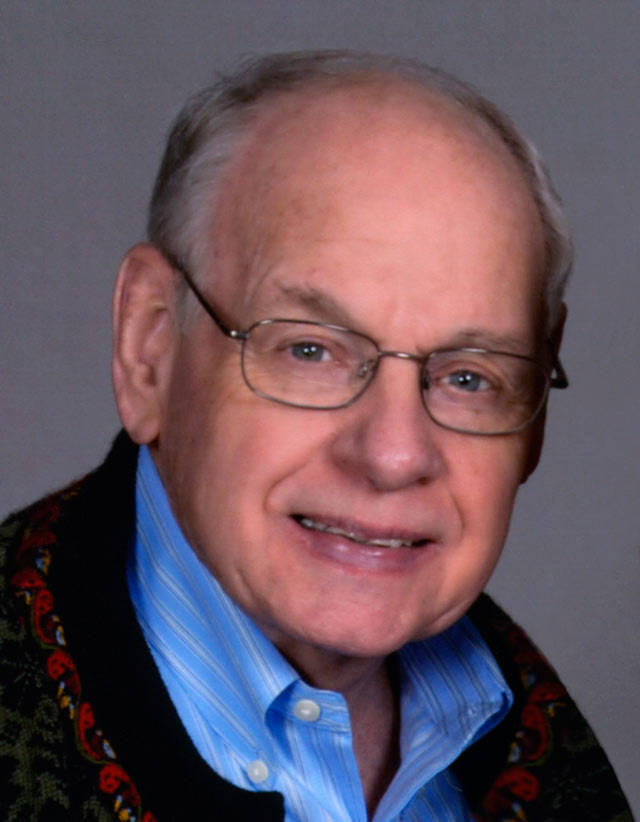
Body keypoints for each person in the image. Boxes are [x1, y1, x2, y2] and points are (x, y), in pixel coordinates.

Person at [0, 51, 631, 821]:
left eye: (469, 376)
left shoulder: (544, 758)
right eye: (310, 350)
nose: (393, 455)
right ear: (151, 346)